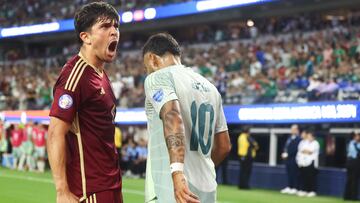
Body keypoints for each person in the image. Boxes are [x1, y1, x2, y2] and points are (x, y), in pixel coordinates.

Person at [46, 2, 122, 203]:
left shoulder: (102, 74)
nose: (114, 32)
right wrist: (62, 191)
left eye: (116, 26)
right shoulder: (75, 76)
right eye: (105, 27)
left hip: (111, 183)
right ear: (85, 37)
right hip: (90, 189)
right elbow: (55, 133)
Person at [143, 33, 231, 203]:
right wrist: (201, 169)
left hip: (174, 189)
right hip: (208, 187)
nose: (147, 72)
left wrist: (177, 173)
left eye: (146, 67)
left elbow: (173, 117)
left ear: (153, 59)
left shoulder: (157, 77)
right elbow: (224, 146)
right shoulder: (211, 87)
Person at [296, 129, 320, 197]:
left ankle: (312, 191)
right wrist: (305, 151)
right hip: (304, 162)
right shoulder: (305, 142)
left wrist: (306, 151)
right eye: (308, 136)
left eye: (310, 136)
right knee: (304, 177)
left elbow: (310, 151)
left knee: (311, 178)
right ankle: (305, 190)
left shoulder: (316, 143)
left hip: (312, 163)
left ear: (313, 137)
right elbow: (302, 150)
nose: (308, 137)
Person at [280, 124, 301, 194]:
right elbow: (286, 147)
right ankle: (289, 186)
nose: (292, 131)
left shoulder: (299, 139)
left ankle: (295, 188)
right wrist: (284, 153)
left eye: (293, 129)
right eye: (291, 129)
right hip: (288, 159)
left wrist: (288, 154)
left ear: (297, 130)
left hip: (294, 159)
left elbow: (295, 149)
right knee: (289, 173)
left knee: (294, 173)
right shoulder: (289, 138)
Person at [343, 131, 360, 200]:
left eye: (358, 136)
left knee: (353, 180)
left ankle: (350, 197)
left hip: (354, 162)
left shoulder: (352, 142)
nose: (357, 137)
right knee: (351, 179)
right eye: (356, 136)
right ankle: (349, 197)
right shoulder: (352, 143)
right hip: (352, 162)